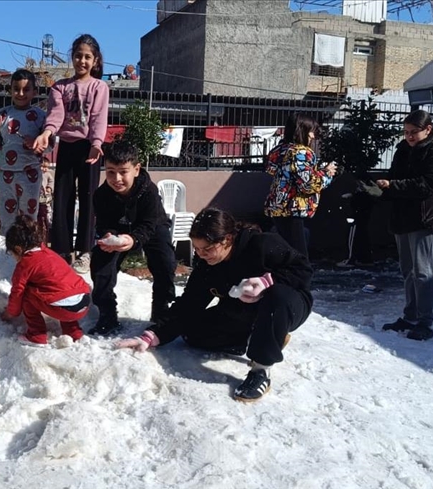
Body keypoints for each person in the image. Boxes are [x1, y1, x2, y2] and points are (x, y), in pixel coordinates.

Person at [116, 207, 313, 403]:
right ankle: (259, 336)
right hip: (242, 310)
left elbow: (303, 271)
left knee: (277, 296)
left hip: (287, 305)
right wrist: (152, 335)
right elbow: (189, 305)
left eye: (207, 248)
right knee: (192, 333)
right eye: (198, 249)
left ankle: (261, 369)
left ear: (226, 239)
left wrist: (266, 282)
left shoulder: (262, 244)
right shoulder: (207, 266)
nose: (202, 255)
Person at [369, 110, 433, 341]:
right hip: (403, 218)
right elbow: (396, 180)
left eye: (414, 132)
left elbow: (429, 185)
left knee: (424, 272)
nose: (409, 136)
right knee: (408, 270)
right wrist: (380, 191)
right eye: (406, 132)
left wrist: (392, 186)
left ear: (428, 129)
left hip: (426, 218)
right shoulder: (403, 150)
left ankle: (424, 322)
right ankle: (411, 315)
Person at [32, 34, 110, 274]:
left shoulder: (99, 87)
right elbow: (55, 115)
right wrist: (47, 133)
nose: (82, 61)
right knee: (62, 198)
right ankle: (62, 250)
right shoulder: (60, 87)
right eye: (78, 55)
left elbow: (98, 117)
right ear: (72, 58)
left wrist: (97, 143)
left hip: (89, 149)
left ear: (95, 60)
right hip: (66, 146)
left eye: (87, 57)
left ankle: (84, 251)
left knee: (88, 199)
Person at [87, 141, 176, 335]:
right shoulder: (101, 195)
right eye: (110, 171)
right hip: (118, 230)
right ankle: (107, 314)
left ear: (136, 169)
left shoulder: (149, 191)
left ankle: (161, 310)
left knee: (165, 261)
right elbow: (103, 223)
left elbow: (149, 224)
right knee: (101, 262)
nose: (116, 178)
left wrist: (133, 240)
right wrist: (108, 236)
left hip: (151, 228)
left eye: (123, 171)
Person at [1, 215, 91, 345]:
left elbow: (17, 293)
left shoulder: (25, 264)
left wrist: (10, 313)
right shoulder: (50, 254)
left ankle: (36, 336)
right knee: (62, 290)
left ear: (18, 249)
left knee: (26, 293)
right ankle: (74, 332)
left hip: (64, 309)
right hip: (83, 302)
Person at [263, 113, 336, 257]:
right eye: (311, 131)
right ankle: (297, 279)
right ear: (302, 131)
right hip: (294, 208)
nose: (313, 136)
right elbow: (307, 185)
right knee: (299, 257)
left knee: (285, 254)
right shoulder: (301, 152)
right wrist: (327, 174)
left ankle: (280, 278)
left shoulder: (280, 150)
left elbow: (281, 173)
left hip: (277, 206)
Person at [0, 69, 47, 234]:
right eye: (16, 89)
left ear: (35, 92)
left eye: (26, 89)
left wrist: (35, 143)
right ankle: (6, 249)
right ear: (10, 90)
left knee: (29, 215)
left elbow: (49, 145)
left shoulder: (41, 116)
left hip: (30, 173)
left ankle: (27, 250)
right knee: (6, 216)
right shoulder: (2, 114)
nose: (21, 93)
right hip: (6, 173)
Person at [38, 157, 55, 242]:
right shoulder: (37, 174)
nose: (45, 169)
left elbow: (51, 181)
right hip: (38, 198)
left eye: (46, 167)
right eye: (43, 166)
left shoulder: (48, 174)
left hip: (45, 198)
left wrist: (49, 188)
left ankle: (46, 235)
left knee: (46, 216)